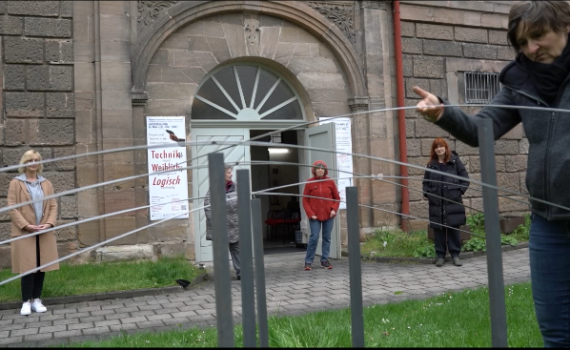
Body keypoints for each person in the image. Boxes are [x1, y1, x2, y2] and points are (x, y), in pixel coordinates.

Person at [413, 1, 570, 346]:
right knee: (556, 331)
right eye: (522, 43)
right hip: (548, 222)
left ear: (566, 26)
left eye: (539, 36)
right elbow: (481, 128)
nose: (530, 49)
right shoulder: (522, 82)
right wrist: (444, 113)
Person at [7, 150, 58, 316]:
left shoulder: (46, 183)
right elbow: (12, 207)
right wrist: (25, 225)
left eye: (37, 160)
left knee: (41, 265)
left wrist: (49, 223)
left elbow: (52, 205)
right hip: (25, 231)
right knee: (28, 266)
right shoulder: (16, 183)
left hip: (43, 230)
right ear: (25, 163)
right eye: (30, 160)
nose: (34, 163)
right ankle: (26, 301)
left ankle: (37, 299)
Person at [422, 138, 469, 267]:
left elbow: (465, 179)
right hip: (437, 203)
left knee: (453, 228)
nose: (439, 149)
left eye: (441, 146)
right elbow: (425, 183)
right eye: (436, 147)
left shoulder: (455, 161)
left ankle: (455, 256)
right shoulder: (431, 164)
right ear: (434, 150)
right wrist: (428, 194)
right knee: (439, 230)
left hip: (453, 202)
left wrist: (458, 192)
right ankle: (441, 256)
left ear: (445, 147)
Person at [302, 160, 340, 270]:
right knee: (314, 237)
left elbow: (336, 198)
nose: (320, 170)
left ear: (325, 170)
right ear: (314, 170)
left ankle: (324, 260)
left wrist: (334, 209)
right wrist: (310, 214)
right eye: (318, 168)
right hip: (315, 216)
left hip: (329, 215)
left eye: (322, 168)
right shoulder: (309, 182)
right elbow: (305, 200)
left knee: (327, 238)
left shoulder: (330, 182)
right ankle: (308, 261)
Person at [204, 165, 240, 280]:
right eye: (229, 172)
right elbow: (208, 207)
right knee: (221, 254)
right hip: (220, 228)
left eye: (231, 172)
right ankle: (223, 276)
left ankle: (242, 273)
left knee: (238, 251)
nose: (231, 174)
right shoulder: (214, 189)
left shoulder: (237, 188)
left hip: (235, 226)